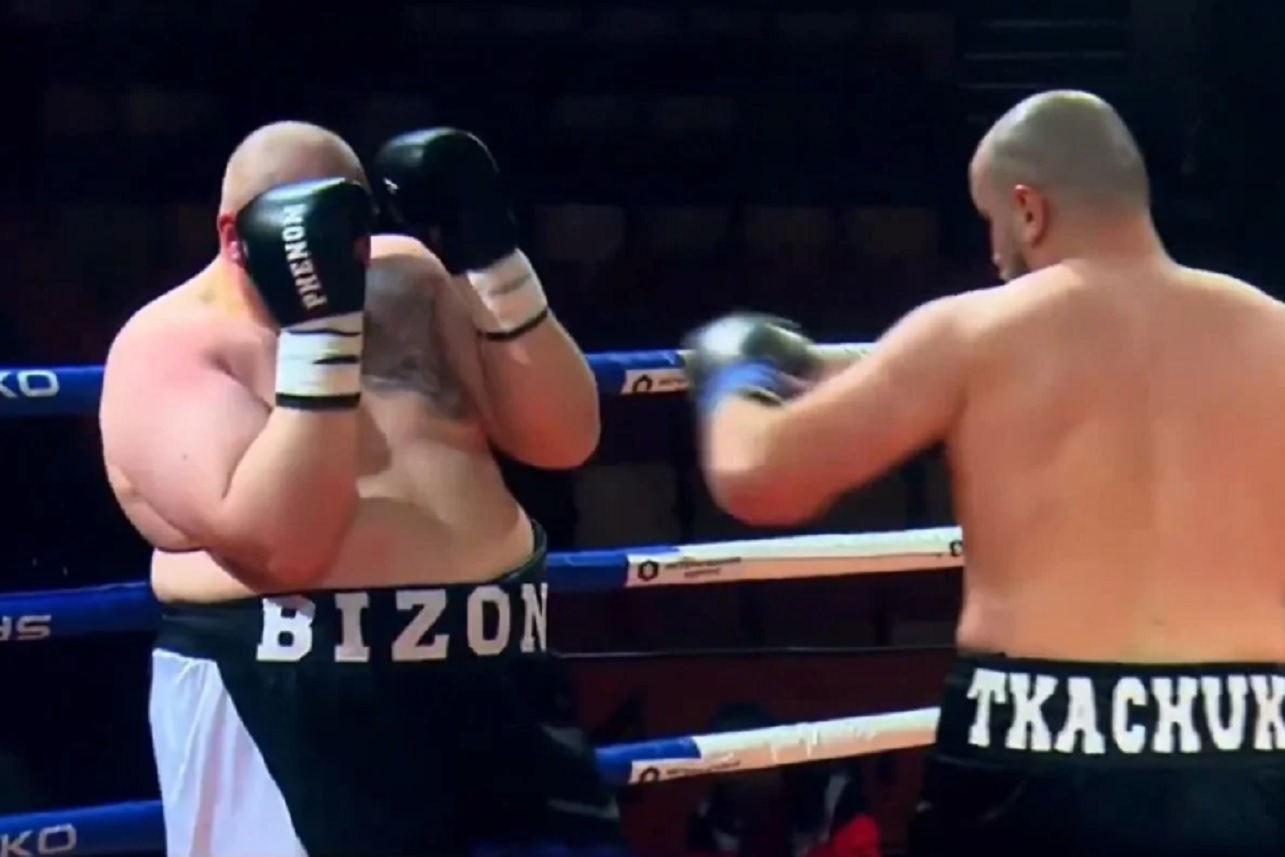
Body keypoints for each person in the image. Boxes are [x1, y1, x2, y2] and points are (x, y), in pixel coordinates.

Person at [681, 90, 1285, 856]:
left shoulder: (974, 330)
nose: (995, 252)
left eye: (991, 219)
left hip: (1029, 742)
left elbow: (758, 478)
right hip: (1242, 741)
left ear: (1028, 209)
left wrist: (735, 379)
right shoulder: (1274, 333)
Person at [99, 121, 618, 857]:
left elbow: (564, 437)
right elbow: (282, 548)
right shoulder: (170, 345)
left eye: (351, 231)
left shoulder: (407, 277)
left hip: (500, 678)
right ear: (233, 236)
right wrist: (321, 329)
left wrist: (495, 260)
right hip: (294, 696)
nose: (346, 257)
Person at [685, 705, 882, 857]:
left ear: (777, 757)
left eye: (748, 758)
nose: (740, 775)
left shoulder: (836, 799)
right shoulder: (711, 818)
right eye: (725, 765)